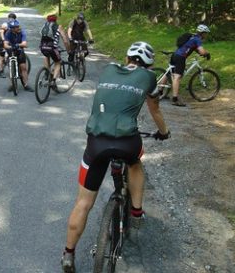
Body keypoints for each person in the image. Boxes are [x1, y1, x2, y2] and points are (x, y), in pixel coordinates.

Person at [61, 42, 170, 273]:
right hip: (127, 141)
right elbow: (155, 110)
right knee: (135, 162)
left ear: (127, 56)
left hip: (96, 142)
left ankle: (68, 255)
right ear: (149, 63)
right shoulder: (149, 77)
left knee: (83, 203)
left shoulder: (109, 69)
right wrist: (164, 132)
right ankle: (137, 211)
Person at [163, 24, 211, 107]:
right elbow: (201, 50)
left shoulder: (192, 37)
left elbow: (194, 48)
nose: (206, 35)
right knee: (177, 77)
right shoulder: (197, 39)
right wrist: (207, 53)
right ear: (202, 33)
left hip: (175, 55)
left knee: (168, 73)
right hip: (181, 57)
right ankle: (175, 99)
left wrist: (201, 53)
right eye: (206, 33)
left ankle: (160, 92)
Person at [3, 19, 33, 92]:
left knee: (23, 67)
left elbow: (25, 44)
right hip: (11, 50)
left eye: (18, 26)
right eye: (16, 27)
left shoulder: (22, 32)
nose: (18, 28)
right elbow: (5, 45)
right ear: (12, 29)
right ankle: (12, 84)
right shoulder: (8, 33)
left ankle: (26, 85)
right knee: (11, 67)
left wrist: (18, 45)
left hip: (19, 50)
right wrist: (10, 47)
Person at [39, 14, 69, 82]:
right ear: (56, 20)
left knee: (46, 56)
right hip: (52, 47)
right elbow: (65, 40)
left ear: (47, 20)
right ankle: (53, 81)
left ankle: (47, 72)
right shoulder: (59, 26)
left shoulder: (45, 25)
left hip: (42, 47)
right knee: (58, 62)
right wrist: (68, 50)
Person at [0, 12, 17, 78]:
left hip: (10, 42)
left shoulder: (15, 24)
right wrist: (3, 40)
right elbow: (2, 33)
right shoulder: (5, 24)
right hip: (3, 41)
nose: (11, 20)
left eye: (13, 18)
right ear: (8, 18)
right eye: (10, 18)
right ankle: (1, 71)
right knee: (2, 57)